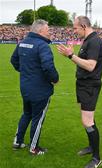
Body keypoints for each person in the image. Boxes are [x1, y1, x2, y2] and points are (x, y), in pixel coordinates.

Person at [57, 16, 102, 168]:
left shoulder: (94, 41)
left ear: (84, 26)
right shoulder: (87, 40)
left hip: (90, 85)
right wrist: (72, 55)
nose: (74, 31)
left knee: (87, 121)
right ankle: (92, 146)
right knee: (88, 119)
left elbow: (90, 66)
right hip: (83, 85)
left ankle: (97, 159)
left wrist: (71, 55)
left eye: (75, 28)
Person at [11, 19, 59, 155]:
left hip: (25, 87)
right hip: (40, 90)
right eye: (48, 29)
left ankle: (18, 141)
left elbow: (13, 60)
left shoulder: (23, 43)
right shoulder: (42, 46)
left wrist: (26, 72)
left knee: (27, 114)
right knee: (37, 119)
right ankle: (34, 148)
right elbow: (48, 67)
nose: (50, 32)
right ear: (40, 31)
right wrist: (55, 79)